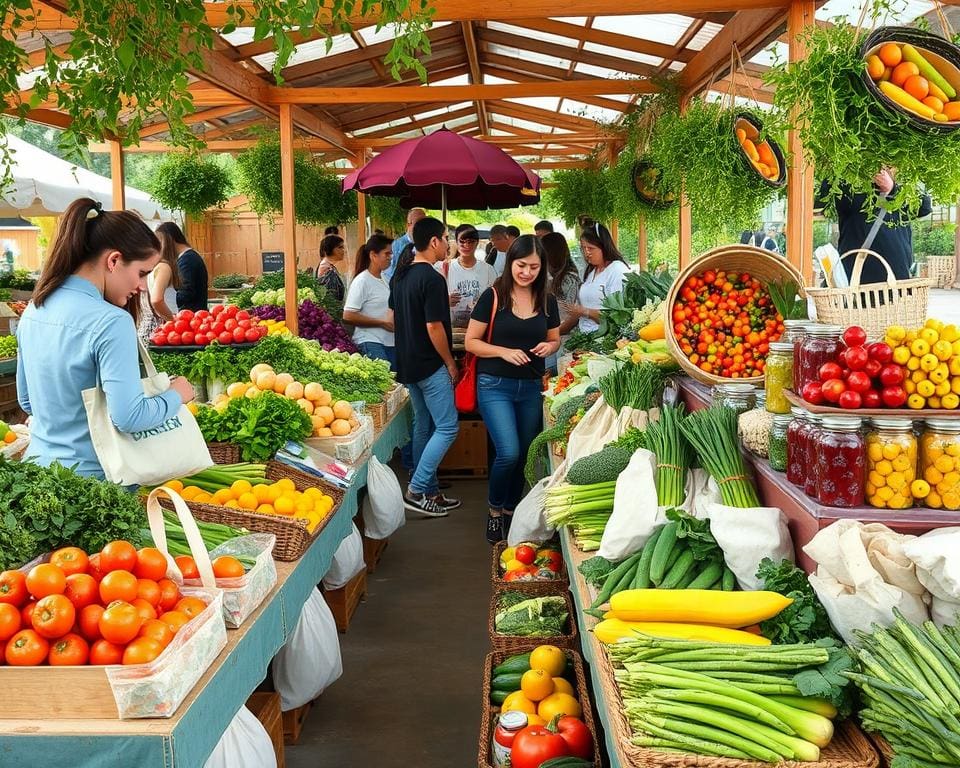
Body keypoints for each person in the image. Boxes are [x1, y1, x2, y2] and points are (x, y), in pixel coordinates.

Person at [16, 198, 195, 478]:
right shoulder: (111, 322)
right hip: (96, 484)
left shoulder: (34, 310)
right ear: (113, 260)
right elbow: (130, 417)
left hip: (38, 472)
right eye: (141, 273)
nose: (141, 287)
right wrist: (177, 395)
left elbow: (27, 401)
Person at [465, 235, 560, 543]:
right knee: (508, 452)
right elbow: (472, 342)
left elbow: (555, 338)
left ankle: (509, 510)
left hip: (531, 386)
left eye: (534, 267)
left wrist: (550, 346)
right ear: (510, 264)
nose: (527, 272)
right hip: (495, 385)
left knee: (525, 455)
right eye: (521, 265)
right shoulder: (492, 297)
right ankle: (494, 511)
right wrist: (503, 351)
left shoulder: (547, 300)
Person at [390, 216, 461, 517]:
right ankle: (418, 488)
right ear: (434, 241)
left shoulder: (400, 275)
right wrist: (450, 362)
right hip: (430, 364)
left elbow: (394, 319)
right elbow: (435, 328)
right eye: (446, 238)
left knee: (424, 425)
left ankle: (429, 490)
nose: (449, 244)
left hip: (407, 363)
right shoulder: (431, 279)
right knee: (447, 427)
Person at [816, 169, 932, 283]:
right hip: (857, 277)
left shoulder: (904, 182)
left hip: (897, 276)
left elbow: (924, 207)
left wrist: (893, 189)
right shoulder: (849, 182)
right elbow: (823, 201)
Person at [561, 219, 631, 333]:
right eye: (583, 248)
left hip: (604, 338)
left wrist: (584, 311)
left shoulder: (617, 270)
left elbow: (618, 315)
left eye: (591, 248)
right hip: (585, 336)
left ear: (604, 247)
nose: (586, 252)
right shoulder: (591, 271)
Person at [343, 234, 395, 364]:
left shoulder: (385, 278)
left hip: (390, 342)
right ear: (373, 255)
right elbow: (348, 315)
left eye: (391, 254)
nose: (390, 257)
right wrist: (381, 323)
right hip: (370, 341)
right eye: (386, 254)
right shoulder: (362, 281)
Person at [437, 224, 497, 328]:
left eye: (471, 242)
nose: (466, 245)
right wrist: (444, 301)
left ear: (477, 243)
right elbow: (430, 301)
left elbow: (496, 300)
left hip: (479, 330)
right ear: (456, 242)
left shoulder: (488, 270)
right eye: (462, 241)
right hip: (451, 329)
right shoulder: (443, 268)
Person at [137, 227, 180, 342]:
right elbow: (157, 300)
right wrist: (174, 321)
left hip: (146, 330)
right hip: (161, 331)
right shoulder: (163, 267)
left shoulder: (147, 270)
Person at [542, 231, 582, 345]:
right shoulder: (556, 277)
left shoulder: (568, 279)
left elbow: (573, 316)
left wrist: (552, 334)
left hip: (565, 340)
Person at [156, 222, 207, 312]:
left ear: (169, 239)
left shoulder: (187, 259)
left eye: (160, 241)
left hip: (191, 315)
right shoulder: (188, 257)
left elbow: (186, 292)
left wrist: (168, 300)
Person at [385, 207, 426, 283]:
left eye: (424, 222)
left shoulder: (426, 245)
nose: (422, 226)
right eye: (418, 222)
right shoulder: (397, 245)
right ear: (408, 224)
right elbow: (389, 274)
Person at [316, 234, 347, 302]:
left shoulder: (329, 266)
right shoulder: (326, 268)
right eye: (340, 247)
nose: (343, 250)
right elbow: (331, 298)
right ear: (329, 249)